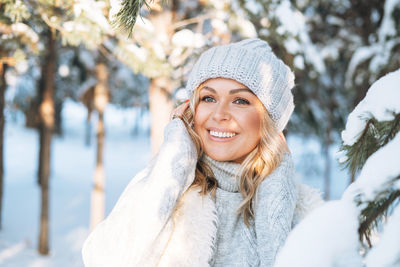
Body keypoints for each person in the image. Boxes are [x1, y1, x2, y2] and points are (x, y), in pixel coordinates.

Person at [82, 38, 323, 267]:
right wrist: (176, 155)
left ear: (270, 121)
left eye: (240, 101)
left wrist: (277, 180)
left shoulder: (304, 211)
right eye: (208, 98)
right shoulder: (166, 182)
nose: (218, 114)